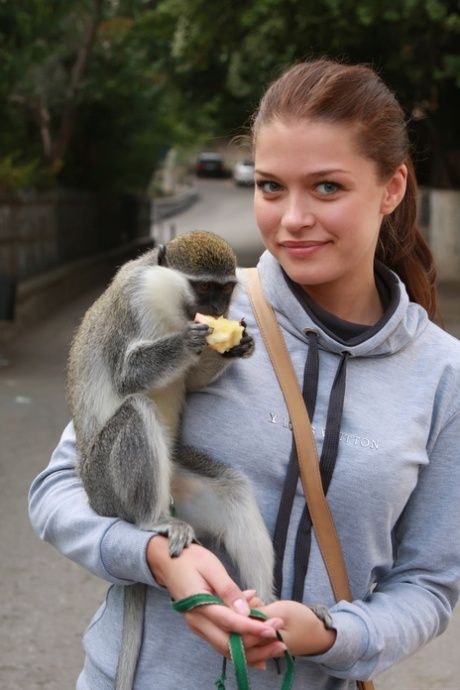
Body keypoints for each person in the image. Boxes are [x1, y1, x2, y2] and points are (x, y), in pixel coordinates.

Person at [28, 58, 460, 689]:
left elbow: (429, 584)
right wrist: (155, 556)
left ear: (391, 189)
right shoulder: (197, 308)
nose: (292, 220)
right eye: (270, 187)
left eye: (327, 188)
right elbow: (60, 489)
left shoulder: (441, 374)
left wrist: (332, 634)